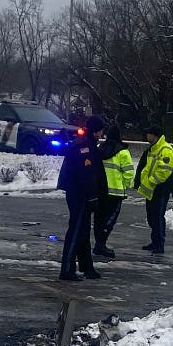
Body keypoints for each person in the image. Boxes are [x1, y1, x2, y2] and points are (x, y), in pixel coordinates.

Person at [56, 115, 107, 281]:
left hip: (80, 194)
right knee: (76, 231)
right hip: (80, 195)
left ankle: (87, 268)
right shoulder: (84, 147)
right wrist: (93, 197)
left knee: (83, 232)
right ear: (96, 131)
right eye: (100, 131)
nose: (101, 134)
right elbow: (87, 175)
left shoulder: (87, 144)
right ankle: (67, 269)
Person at [135, 124, 173, 254]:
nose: (146, 136)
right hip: (152, 189)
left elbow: (164, 171)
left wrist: (151, 181)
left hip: (161, 189)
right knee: (152, 216)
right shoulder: (153, 149)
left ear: (154, 135)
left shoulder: (165, 149)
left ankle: (159, 244)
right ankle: (155, 242)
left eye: (148, 134)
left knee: (158, 216)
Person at [93, 124, 134, 259]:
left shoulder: (100, 149)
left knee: (99, 218)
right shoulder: (123, 152)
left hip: (100, 191)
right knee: (110, 219)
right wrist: (124, 185)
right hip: (115, 193)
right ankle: (101, 245)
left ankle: (98, 244)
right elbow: (128, 174)